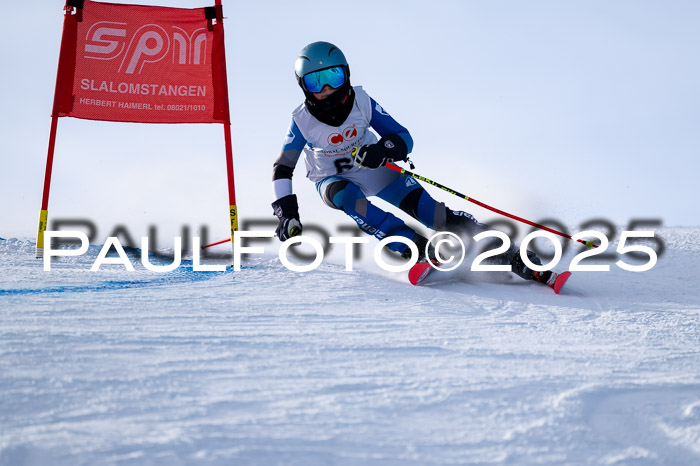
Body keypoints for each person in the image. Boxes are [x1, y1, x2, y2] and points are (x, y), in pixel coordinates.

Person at [271, 41, 553, 284]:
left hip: (376, 170)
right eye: (315, 82)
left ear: (345, 75)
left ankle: (513, 256)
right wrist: (287, 213)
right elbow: (283, 167)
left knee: (434, 215)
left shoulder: (362, 102)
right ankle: (418, 249)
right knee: (348, 198)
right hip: (333, 179)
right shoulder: (301, 121)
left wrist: (382, 150)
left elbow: (403, 137)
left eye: (333, 76)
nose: (327, 89)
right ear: (303, 87)